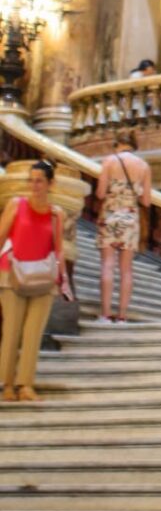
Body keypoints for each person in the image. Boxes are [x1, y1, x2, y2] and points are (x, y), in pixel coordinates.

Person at [0, 159, 73, 402]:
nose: (34, 185)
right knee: (11, 330)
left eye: (39, 180)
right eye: (31, 180)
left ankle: (25, 385)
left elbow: (59, 250)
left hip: (43, 279)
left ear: (50, 183)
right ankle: (6, 385)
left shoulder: (57, 214)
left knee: (33, 333)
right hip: (12, 275)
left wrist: (62, 281)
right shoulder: (15, 204)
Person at [95, 129, 152, 324]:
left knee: (107, 265)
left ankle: (104, 314)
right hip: (130, 217)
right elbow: (146, 201)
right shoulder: (144, 166)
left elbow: (101, 193)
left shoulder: (109, 161)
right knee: (126, 269)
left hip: (110, 214)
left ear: (117, 143)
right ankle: (122, 316)